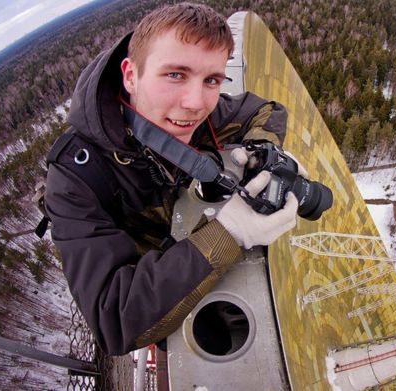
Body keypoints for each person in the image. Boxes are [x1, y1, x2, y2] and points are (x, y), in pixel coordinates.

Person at [44, 3, 300, 355]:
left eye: (211, 80)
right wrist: (228, 233)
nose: (196, 103)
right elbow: (114, 321)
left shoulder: (188, 113)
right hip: (161, 294)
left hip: (191, 247)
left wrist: (264, 154)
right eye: (175, 75)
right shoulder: (75, 178)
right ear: (130, 76)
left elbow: (263, 110)